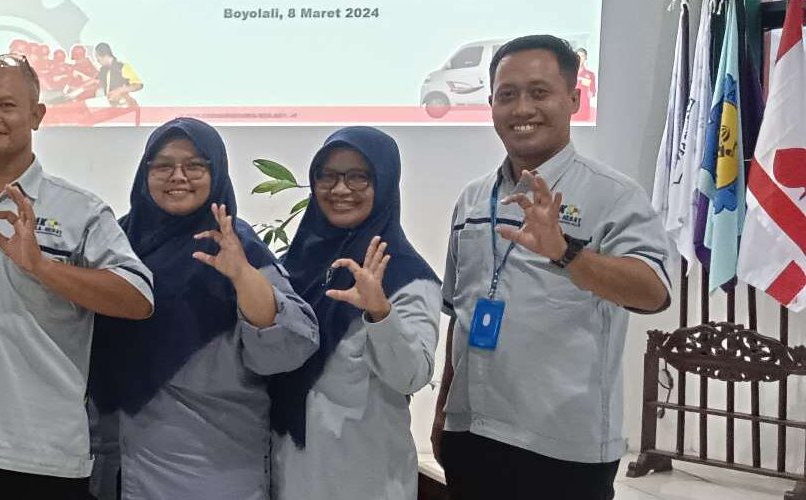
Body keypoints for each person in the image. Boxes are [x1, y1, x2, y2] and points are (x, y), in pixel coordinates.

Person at [432, 35, 671, 500]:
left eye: (539, 92)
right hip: (472, 434)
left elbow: (653, 291)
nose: (522, 108)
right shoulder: (473, 198)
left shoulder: (612, 195)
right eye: (507, 95)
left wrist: (567, 252)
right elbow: (460, 317)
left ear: (573, 99)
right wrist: (444, 409)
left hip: (563, 445)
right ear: (490, 104)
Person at [0, 54, 154, 500]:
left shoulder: (80, 210)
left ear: (37, 115)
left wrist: (42, 266)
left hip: (43, 456)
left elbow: (137, 298)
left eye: (6, 104)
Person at [87, 117, 319, 500]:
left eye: (195, 165)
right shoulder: (117, 243)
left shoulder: (233, 244)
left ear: (217, 173)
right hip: (117, 460)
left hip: (209, 465)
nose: (178, 175)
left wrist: (243, 276)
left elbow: (288, 350)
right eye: (163, 165)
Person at [268, 127, 440, 500]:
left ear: (385, 182)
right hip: (288, 472)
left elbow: (412, 376)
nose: (340, 189)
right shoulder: (292, 268)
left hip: (365, 478)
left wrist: (380, 312)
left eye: (358, 176)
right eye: (327, 175)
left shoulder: (407, 276)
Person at [93, 43, 142, 110]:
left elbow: (138, 85)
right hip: (109, 106)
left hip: (123, 106)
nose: (97, 61)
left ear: (105, 55)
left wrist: (119, 90)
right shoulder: (102, 70)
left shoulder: (122, 67)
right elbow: (95, 82)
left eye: (98, 58)